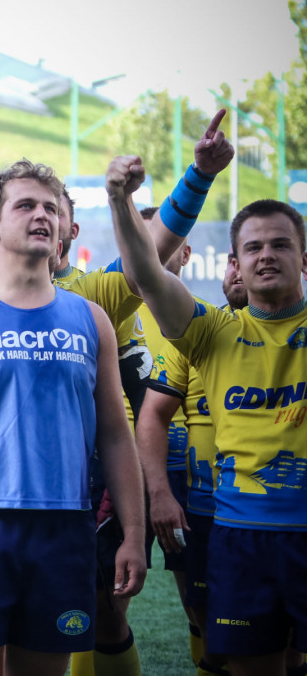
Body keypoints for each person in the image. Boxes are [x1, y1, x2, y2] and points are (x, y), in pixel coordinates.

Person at [0, 153, 146, 676]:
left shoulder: (91, 318)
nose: (42, 215)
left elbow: (115, 435)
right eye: (25, 206)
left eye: (49, 207)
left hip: (65, 528)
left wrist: (132, 532)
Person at [107, 152, 307, 676]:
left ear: (304, 259)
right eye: (254, 247)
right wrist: (120, 199)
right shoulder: (212, 332)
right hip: (239, 535)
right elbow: (146, 274)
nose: (268, 256)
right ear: (233, 264)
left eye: (282, 245)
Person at [137, 253, 247, 675]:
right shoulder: (198, 333)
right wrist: (162, 493)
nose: (238, 270)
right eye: (234, 259)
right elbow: (154, 415)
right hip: (205, 512)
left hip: (281, 516)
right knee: (209, 631)